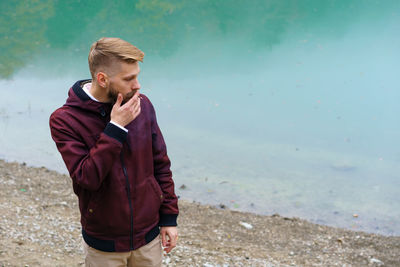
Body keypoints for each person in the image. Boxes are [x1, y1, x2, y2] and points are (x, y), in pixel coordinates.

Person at [49, 37, 179, 267]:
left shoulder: (142, 105)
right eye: (129, 79)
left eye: (137, 76)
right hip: (103, 244)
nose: (137, 85)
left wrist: (169, 218)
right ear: (102, 79)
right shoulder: (65, 120)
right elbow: (86, 177)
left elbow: (160, 164)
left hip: (148, 238)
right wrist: (115, 128)